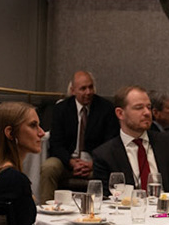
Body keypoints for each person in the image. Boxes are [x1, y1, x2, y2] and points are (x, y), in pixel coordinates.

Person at [39, 70, 115, 200]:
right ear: (73, 90)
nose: (88, 92)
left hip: (95, 163)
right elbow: (56, 144)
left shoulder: (106, 108)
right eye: (83, 88)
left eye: (91, 87)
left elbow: (110, 143)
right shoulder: (61, 109)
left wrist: (92, 163)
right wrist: (71, 162)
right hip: (67, 160)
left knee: (108, 171)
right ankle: (46, 209)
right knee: (48, 167)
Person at [89, 86, 169, 194]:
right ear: (120, 113)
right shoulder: (105, 155)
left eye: (148, 107)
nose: (147, 113)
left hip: (166, 209)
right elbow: (105, 199)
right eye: (139, 107)